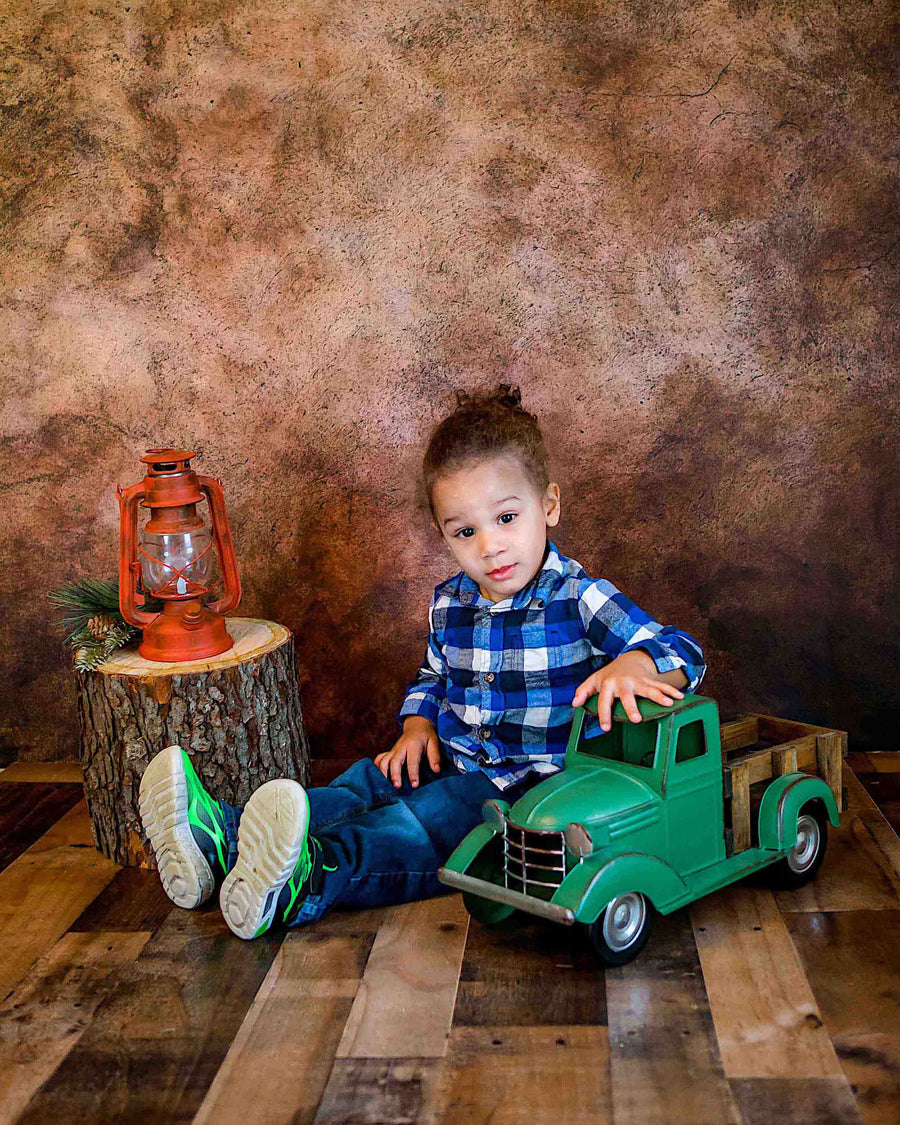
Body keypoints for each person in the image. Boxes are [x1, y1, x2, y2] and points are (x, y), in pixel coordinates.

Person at [138, 385, 706, 939]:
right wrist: (417, 726)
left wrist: (636, 664)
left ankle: (310, 877)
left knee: (417, 823)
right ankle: (223, 837)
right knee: (365, 783)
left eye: (507, 518)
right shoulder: (450, 602)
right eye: (466, 531)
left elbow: (683, 652)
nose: (489, 546)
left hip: (528, 794)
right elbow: (434, 676)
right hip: (451, 756)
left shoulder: (579, 598)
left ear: (548, 506)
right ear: (444, 534)